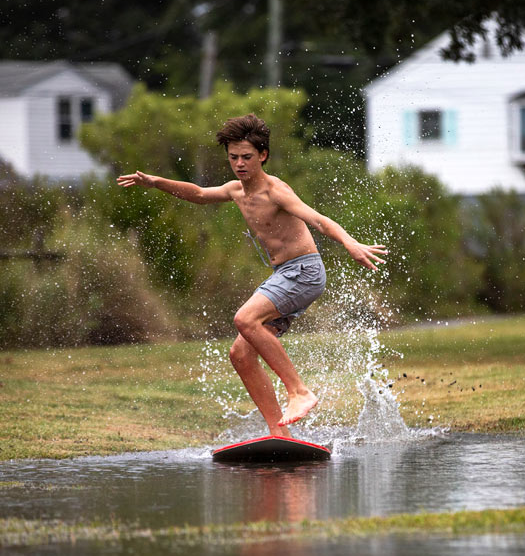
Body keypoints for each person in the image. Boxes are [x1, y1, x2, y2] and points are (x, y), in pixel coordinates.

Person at [117, 114, 387, 437]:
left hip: (304, 271)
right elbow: (200, 194)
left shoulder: (276, 192)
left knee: (245, 319)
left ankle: (299, 391)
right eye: (233, 158)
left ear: (263, 156)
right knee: (241, 354)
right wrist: (156, 182)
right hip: (284, 274)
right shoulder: (236, 191)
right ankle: (280, 433)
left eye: (247, 157)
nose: (240, 164)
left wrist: (349, 242)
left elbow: (318, 219)